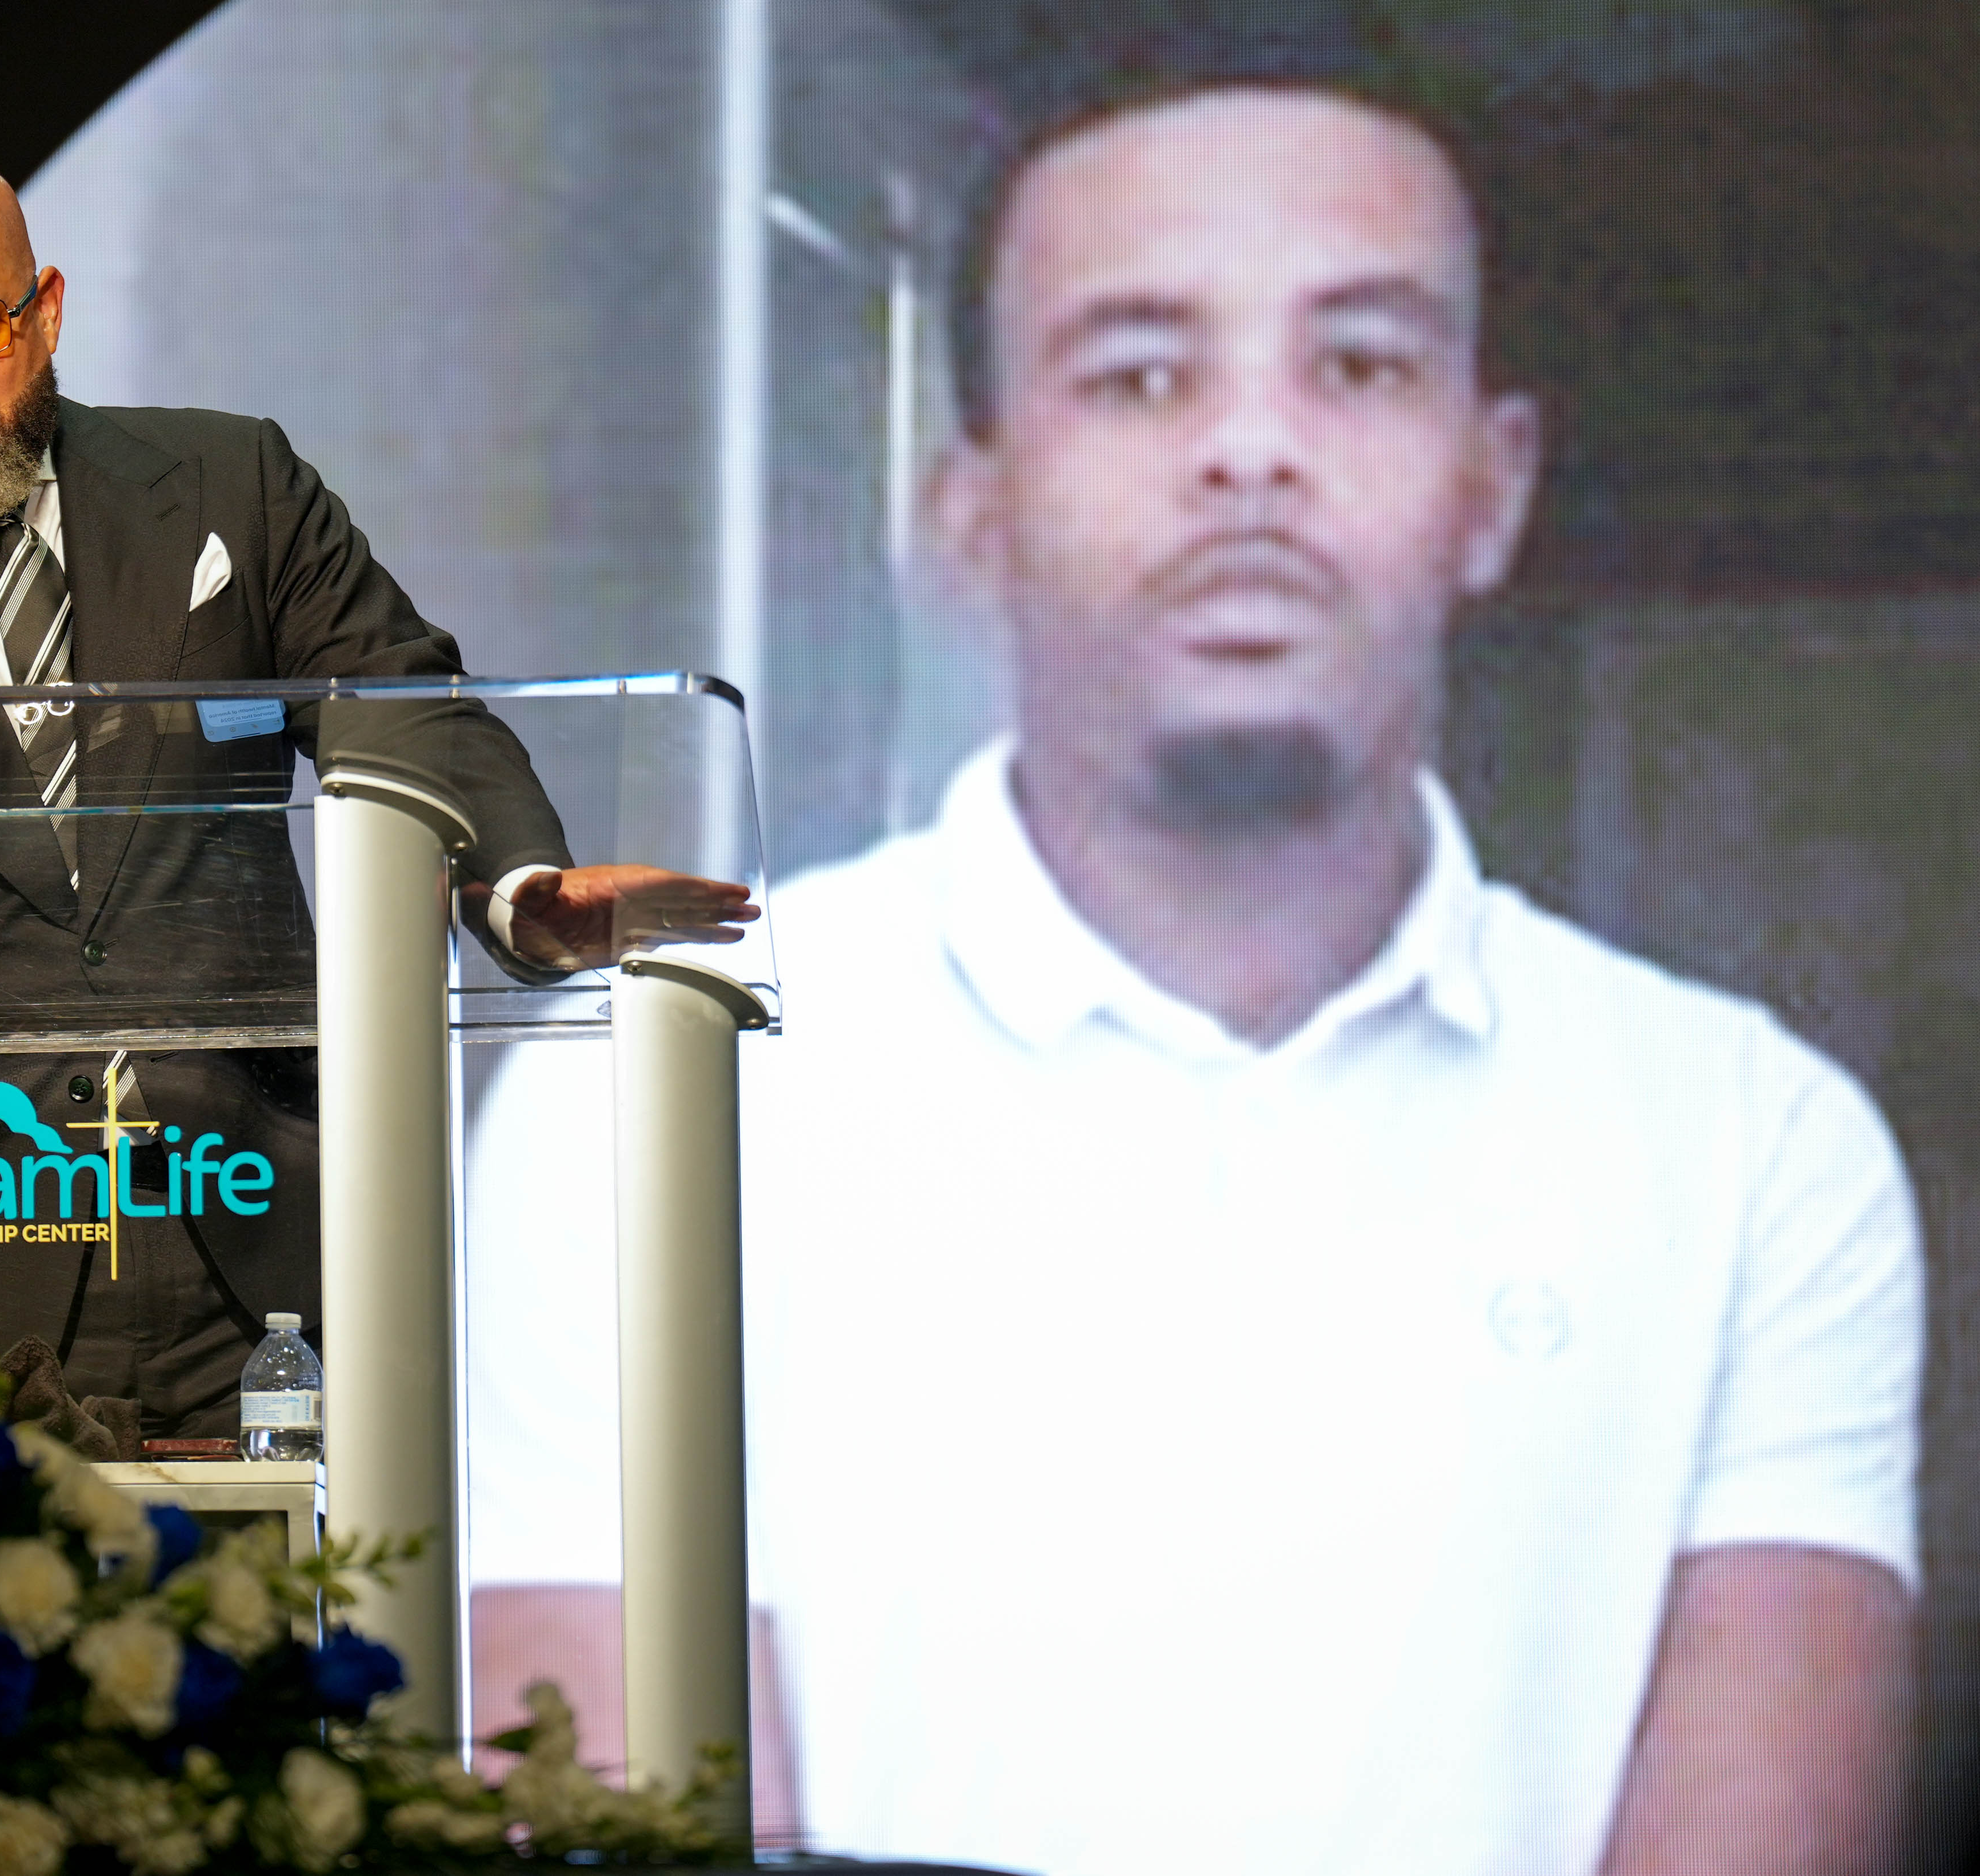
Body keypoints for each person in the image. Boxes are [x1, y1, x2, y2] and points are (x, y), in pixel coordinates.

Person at [463, 80, 1921, 1875]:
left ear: (1492, 484)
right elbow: (627, 1838)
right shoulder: (648, 1080)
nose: (1248, 450)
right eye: (1138, 372)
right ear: (967, 508)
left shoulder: (1759, 1153)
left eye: (1361, 365)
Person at [0, 150, 751, 1452]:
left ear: (46, 312)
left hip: (241, 1259)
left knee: (250, 1654)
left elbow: (402, 701)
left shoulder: (234, 489)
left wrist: (522, 893)